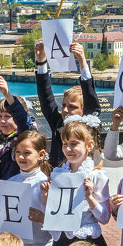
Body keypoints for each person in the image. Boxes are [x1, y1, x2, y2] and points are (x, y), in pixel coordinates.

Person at [44, 118, 117, 246]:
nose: (68, 149)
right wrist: (47, 195)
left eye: (74, 144)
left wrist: (89, 197)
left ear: (89, 146)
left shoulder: (97, 176)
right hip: (63, 242)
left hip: (86, 243)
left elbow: (105, 218)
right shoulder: (58, 174)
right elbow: (56, 213)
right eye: (64, 143)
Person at [33, 38, 101, 166]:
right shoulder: (58, 123)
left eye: (72, 107)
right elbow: (46, 97)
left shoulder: (90, 127)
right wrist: (41, 61)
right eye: (64, 105)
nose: (65, 110)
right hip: (57, 179)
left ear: (84, 110)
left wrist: (81, 60)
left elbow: (91, 98)